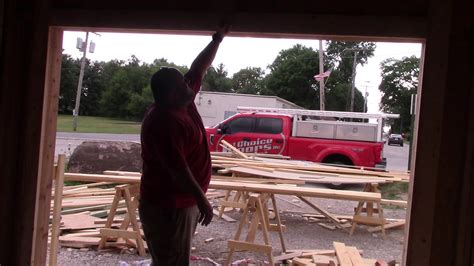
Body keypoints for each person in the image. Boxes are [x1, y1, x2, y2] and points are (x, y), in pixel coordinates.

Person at [138, 25, 229, 266]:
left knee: (176, 259)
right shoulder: (164, 121)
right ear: (169, 95)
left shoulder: (181, 102)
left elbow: (199, 67)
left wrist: (217, 40)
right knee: (172, 262)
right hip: (168, 206)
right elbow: (178, 170)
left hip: (180, 202)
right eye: (183, 85)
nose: (190, 87)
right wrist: (203, 201)